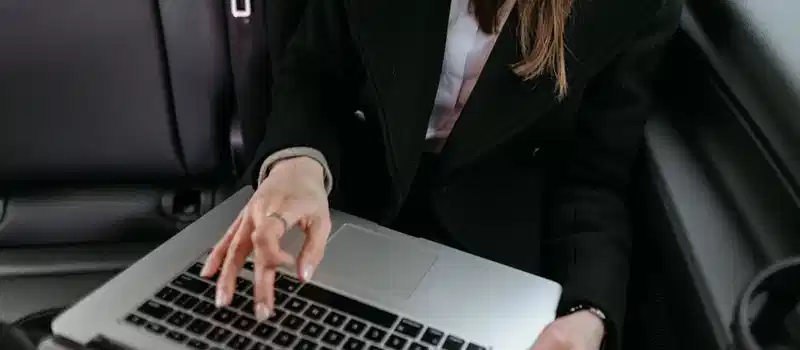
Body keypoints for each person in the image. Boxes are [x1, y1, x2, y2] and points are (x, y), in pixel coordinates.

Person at [202, 0, 681, 348]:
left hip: (492, 266)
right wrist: (297, 162)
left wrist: (587, 313)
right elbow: (315, 73)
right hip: (339, 219)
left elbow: (593, 181)